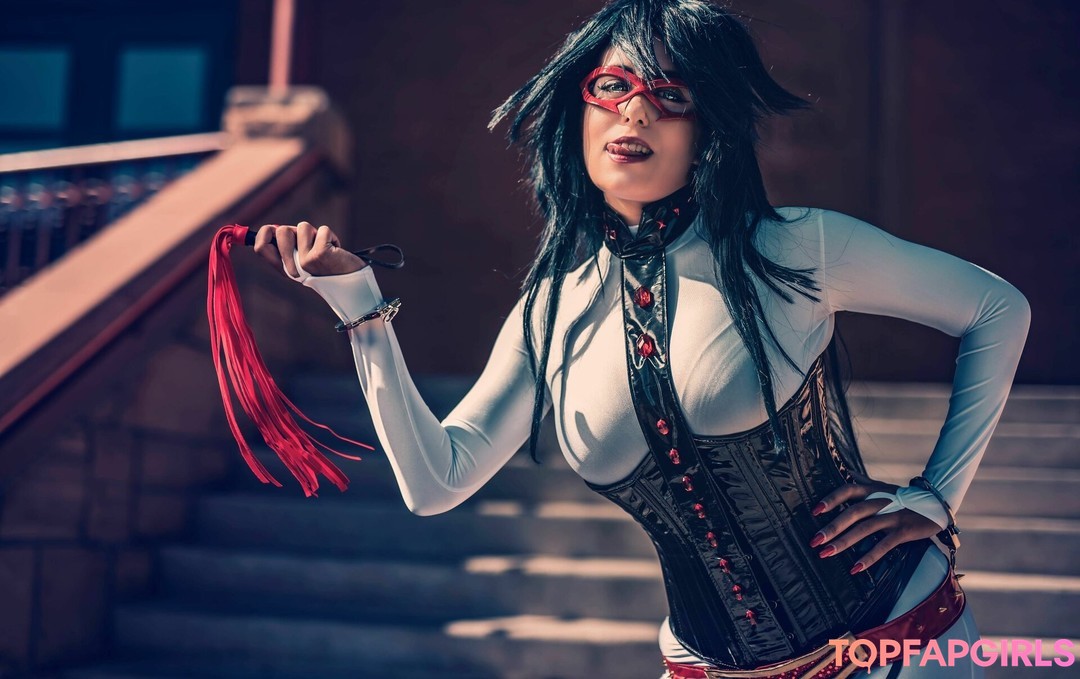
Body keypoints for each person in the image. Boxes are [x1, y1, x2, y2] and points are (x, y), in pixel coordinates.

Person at [253, 1, 1030, 676]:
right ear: (580, 109)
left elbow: (996, 309)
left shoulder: (796, 247)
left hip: (895, 643)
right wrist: (357, 303)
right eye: (613, 86)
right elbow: (436, 482)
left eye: (671, 95)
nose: (635, 112)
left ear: (709, 128)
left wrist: (937, 494)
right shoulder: (550, 311)